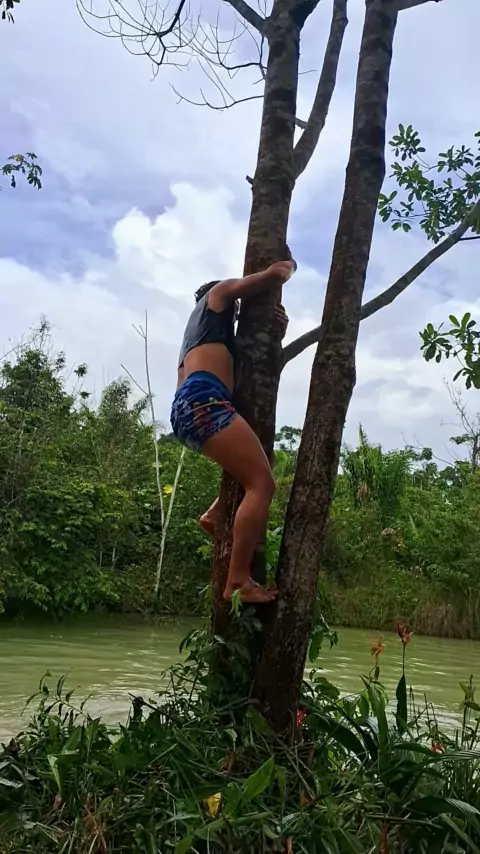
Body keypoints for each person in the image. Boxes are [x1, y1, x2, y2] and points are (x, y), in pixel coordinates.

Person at [170, 259, 296, 604]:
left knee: (264, 458)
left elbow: (246, 373)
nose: (237, 314)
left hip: (190, 409)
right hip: (203, 402)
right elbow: (273, 274)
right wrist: (287, 267)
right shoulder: (218, 293)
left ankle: (215, 514)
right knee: (262, 485)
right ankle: (238, 581)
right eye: (236, 309)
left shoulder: (198, 341)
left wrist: (276, 334)